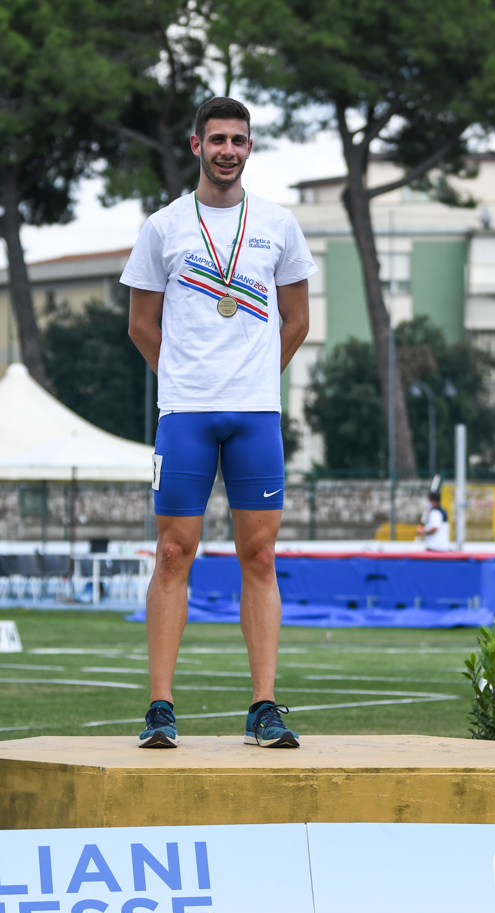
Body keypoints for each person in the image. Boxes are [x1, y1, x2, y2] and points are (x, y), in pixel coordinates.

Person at [122, 96, 317, 749]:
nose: (227, 150)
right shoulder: (164, 227)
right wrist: (184, 378)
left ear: (249, 147)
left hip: (255, 414)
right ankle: (160, 707)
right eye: (217, 140)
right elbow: (140, 325)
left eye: (238, 140)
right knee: (172, 553)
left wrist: (255, 376)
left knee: (258, 556)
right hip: (185, 414)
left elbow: (298, 321)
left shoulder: (279, 224)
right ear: (196, 145)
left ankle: (263, 705)